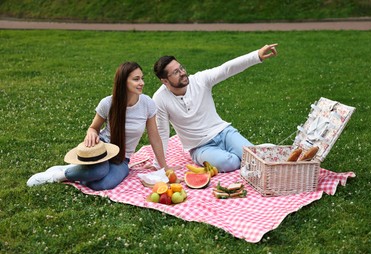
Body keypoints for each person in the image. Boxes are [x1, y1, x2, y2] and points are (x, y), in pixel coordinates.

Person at [27, 62, 169, 190]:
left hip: (122, 158)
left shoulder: (147, 104)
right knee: (98, 172)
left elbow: (154, 137)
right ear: (123, 82)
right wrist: (91, 133)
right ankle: (58, 175)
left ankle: (79, 171)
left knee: (102, 184)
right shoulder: (108, 103)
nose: (142, 82)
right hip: (102, 148)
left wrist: (164, 167)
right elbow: (93, 128)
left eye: (142, 78)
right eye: (136, 79)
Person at [152, 44, 278, 172]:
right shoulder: (160, 99)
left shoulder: (200, 80)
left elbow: (226, 69)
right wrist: (159, 164)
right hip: (200, 147)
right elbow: (162, 132)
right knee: (230, 163)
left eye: (181, 68)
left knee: (254, 158)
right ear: (165, 81)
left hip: (224, 133)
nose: (183, 73)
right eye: (176, 72)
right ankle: (248, 152)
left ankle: (251, 151)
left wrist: (256, 56)